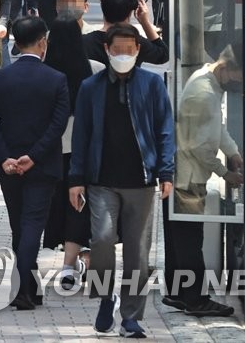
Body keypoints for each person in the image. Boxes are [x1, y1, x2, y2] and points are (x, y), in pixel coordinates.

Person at [69, 23, 175, 337]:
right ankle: (105, 297)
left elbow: (165, 130)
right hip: (101, 180)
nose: (123, 53)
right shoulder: (91, 87)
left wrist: (166, 171)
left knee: (137, 253)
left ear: (138, 50)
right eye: (117, 48)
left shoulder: (152, 85)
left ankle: (131, 317)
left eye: (129, 48)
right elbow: (81, 135)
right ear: (107, 50)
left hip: (141, 181)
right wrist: (76, 179)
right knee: (101, 240)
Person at [0, 16, 68, 310]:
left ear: (15, 44)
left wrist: (4, 156)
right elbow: (58, 125)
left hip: (8, 166)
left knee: (21, 225)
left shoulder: (0, 78)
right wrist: (35, 156)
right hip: (41, 166)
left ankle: (29, 287)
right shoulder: (56, 79)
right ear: (42, 42)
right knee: (32, 224)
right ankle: (24, 289)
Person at [163, 44, 241, 318]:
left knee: (180, 239)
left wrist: (233, 152)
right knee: (189, 240)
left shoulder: (206, 79)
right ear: (225, 69)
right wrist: (225, 172)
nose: (237, 84)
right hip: (188, 177)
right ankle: (196, 299)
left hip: (183, 172)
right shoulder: (205, 93)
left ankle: (177, 292)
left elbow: (215, 127)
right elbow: (201, 146)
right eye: (237, 78)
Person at [42, 17, 104, 291]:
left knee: (62, 207)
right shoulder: (96, 70)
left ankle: (69, 266)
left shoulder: (45, 73)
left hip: (55, 152)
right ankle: (85, 260)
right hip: (88, 151)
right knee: (84, 206)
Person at [82, 0, 168, 66]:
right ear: (130, 13)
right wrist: (145, 22)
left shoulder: (84, 42)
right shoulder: (136, 42)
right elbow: (163, 55)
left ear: (103, 7)